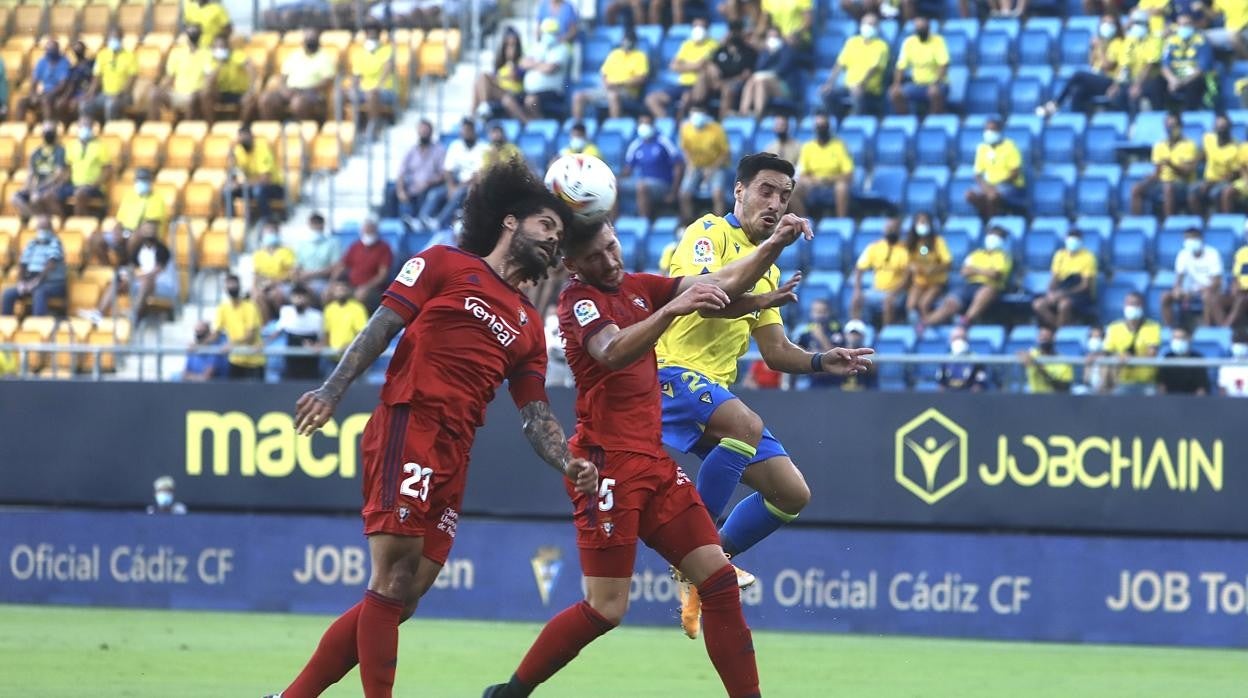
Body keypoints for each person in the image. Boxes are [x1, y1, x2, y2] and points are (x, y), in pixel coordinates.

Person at [272, 159, 594, 698]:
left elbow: (534, 413)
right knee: (391, 576)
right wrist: (332, 389)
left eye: (559, 236)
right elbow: (382, 326)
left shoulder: (529, 328)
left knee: (409, 593)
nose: (552, 240)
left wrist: (567, 461)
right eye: (546, 226)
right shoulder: (444, 264)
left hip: (455, 451)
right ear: (511, 222)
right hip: (410, 421)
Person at [484, 199, 816, 697]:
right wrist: (671, 311)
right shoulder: (579, 301)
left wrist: (773, 245)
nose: (611, 261)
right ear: (573, 264)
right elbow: (612, 351)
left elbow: (720, 284)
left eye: (613, 247)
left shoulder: (639, 287)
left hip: (655, 466)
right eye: (596, 256)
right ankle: (510, 693)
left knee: (719, 582)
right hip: (606, 467)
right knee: (605, 609)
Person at [655, 153, 873, 638]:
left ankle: (705, 571)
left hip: (712, 392)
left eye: (784, 196)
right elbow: (706, 300)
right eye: (766, 191)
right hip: (670, 374)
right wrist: (772, 252)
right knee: (746, 425)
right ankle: (696, 554)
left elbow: (775, 353)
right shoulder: (707, 233)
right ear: (739, 191)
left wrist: (821, 360)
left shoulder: (768, 270)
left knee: (791, 493)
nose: (775, 203)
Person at [80, 221, 176, 325]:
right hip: (142, 282)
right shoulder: (139, 250)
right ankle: (99, 314)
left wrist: (136, 277)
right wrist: (126, 278)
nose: (148, 232)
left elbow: (156, 272)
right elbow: (132, 268)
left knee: (147, 280)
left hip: (163, 284)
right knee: (118, 279)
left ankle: (134, 315)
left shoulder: (162, 249)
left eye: (150, 229)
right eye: (146, 229)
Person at [922, 226, 1013, 329]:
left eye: (996, 236)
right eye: (991, 235)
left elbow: (995, 274)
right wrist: (985, 271)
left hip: (991, 286)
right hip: (970, 285)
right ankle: (926, 323)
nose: (992, 238)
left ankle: (966, 321)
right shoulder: (975, 254)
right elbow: (964, 271)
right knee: (950, 303)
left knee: (985, 293)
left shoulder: (1003, 256)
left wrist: (975, 270)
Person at [1036, 15, 1124, 117]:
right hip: (1096, 78)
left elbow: (1107, 66)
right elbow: (1092, 63)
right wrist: (1092, 48)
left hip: (1110, 82)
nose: (1107, 26)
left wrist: (1099, 48)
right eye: (1105, 23)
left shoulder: (1117, 44)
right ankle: (1077, 117)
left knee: (1078, 75)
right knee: (1078, 90)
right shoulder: (1100, 42)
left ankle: (1056, 103)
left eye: (1110, 23)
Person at [645, 17, 717, 119]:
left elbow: (701, 65)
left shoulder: (713, 45)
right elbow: (673, 66)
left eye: (702, 26)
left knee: (686, 100)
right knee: (651, 99)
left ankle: (681, 123)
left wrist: (684, 66)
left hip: (698, 86)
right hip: (682, 84)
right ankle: (668, 123)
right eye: (695, 26)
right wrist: (692, 66)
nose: (698, 29)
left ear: (708, 29)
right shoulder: (686, 44)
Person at [260, 28, 337, 122]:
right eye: (308, 40)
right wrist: (284, 89)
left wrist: (307, 90)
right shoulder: (294, 56)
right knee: (267, 99)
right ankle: (273, 131)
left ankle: (302, 131)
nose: (310, 42)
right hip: (291, 90)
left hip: (311, 93)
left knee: (298, 103)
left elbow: (328, 80)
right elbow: (284, 76)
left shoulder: (324, 58)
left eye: (313, 40)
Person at [822, 13, 890, 118]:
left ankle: (854, 122)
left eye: (872, 24)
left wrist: (861, 84)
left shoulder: (882, 46)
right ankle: (837, 121)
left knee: (858, 95)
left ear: (877, 27)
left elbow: (875, 68)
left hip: (869, 90)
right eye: (866, 23)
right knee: (827, 94)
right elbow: (839, 64)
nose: (868, 27)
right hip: (848, 87)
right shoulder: (852, 42)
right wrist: (830, 83)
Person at [1131, 112, 1198, 217]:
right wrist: (1150, 178)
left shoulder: (1189, 145)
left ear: (1180, 127)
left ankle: (1168, 224)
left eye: (1173, 126)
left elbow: (1187, 173)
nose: (1170, 129)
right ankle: (1138, 222)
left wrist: (1171, 164)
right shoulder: (1159, 145)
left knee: (1168, 188)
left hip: (1182, 183)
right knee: (1136, 189)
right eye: (1168, 126)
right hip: (1162, 182)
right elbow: (1158, 172)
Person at [573, 29, 649, 120]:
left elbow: (641, 78)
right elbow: (604, 73)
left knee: (612, 96)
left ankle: (614, 125)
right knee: (578, 96)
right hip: (607, 88)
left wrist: (620, 84)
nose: (627, 42)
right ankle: (578, 127)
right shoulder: (614, 54)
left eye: (630, 39)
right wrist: (606, 84)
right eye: (625, 39)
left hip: (627, 91)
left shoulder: (640, 56)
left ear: (635, 42)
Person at [790, 112, 854, 219]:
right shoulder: (808, 147)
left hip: (832, 185)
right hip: (813, 185)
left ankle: (841, 222)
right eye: (819, 126)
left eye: (824, 126)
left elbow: (849, 174)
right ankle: (805, 222)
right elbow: (803, 174)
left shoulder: (839, 145)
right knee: (792, 189)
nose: (821, 129)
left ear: (829, 127)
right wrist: (814, 180)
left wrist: (828, 179)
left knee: (842, 187)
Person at [1032, 229, 1098, 330]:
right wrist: (1050, 293)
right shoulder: (1059, 255)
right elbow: (1054, 278)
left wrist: (1063, 294)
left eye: (1076, 239)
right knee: (1038, 304)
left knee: (1064, 305)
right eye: (1070, 239)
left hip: (1079, 293)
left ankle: (1060, 332)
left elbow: (1085, 285)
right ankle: (1059, 328)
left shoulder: (1088, 257)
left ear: (1081, 241)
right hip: (1061, 288)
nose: (1072, 242)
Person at [1, 216, 66, 317]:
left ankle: (38, 324)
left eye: (46, 227)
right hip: (31, 281)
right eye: (40, 227)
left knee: (39, 292)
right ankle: (6, 323)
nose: (43, 230)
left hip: (53, 283)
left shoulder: (55, 242)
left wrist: (36, 282)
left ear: (51, 229)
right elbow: (23, 263)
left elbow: (50, 265)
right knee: (8, 294)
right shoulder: (32, 243)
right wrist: (21, 282)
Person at [850, 216, 909, 326]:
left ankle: (886, 334)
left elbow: (908, 277)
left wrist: (894, 293)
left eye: (894, 228)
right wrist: (857, 290)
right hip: (876, 291)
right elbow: (859, 268)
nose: (891, 231)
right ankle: (858, 331)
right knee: (856, 300)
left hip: (898, 293)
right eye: (889, 228)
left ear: (899, 230)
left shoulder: (905, 250)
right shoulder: (874, 247)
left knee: (888, 302)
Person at [623, 114, 683, 220]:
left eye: (647, 123)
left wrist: (674, 191)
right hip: (642, 182)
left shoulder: (663, 142)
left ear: (653, 125)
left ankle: (643, 222)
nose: (644, 126)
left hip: (662, 184)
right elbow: (627, 170)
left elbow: (678, 165)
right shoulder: (635, 145)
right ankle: (613, 222)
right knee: (613, 186)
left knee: (642, 187)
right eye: (642, 123)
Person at [1163, 227, 1224, 327]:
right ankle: (1169, 329)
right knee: (1165, 297)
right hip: (1191, 291)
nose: (1189, 242)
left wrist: (1196, 291)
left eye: (1192, 239)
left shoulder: (1213, 254)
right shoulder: (1182, 255)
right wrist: (1178, 290)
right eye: (1187, 239)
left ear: (1201, 239)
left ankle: (1206, 329)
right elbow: (1178, 280)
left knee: (1207, 296)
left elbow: (1217, 283)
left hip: (1211, 291)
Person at [678, 104, 731, 221]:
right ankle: (688, 223)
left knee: (717, 194)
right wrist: (689, 164)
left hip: (716, 166)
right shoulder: (685, 128)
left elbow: (726, 154)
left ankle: (719, 224)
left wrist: (711, 169)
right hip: (695, 166)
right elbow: (685, 148)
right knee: (684, 194)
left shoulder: (717, 129)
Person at [511, 19, 570, 122]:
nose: (549, 35)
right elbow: (522, 63)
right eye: (547, 32)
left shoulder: (562, 49)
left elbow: (549, 68)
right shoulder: (535, 47)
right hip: (529, 91)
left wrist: (533, 64)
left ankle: (540, 124)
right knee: (510, 99)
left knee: (531, 101)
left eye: (552, 33)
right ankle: (527, 124)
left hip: (551, 92)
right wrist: (540, 65)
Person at [966, 118, 1027, 220]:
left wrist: (996, 186)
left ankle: (992, 221)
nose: (989, 133)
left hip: (1009, 185)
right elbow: (977, 174)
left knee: (992, 197)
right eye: (987, 130)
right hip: (988, 184)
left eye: (992, 130)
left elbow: (1015, 173)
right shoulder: (982, 148)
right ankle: (985, 218)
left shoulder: (1010, 147)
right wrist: (986, 187)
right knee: (970, 195)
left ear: (999, 131)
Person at [1103, 291, 1162, 395]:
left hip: (1146, 383)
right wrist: (1119, 357)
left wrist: (1130, 359)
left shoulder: (1153, 327)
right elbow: (1107, 353)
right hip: (1122, 382)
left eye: (1136, 304)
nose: (1132, 307)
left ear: (1142, 307)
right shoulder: (1113, 328)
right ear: (1124, 306)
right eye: (1130, 304)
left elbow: (1152, 353)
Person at [434, 119, 489, 229]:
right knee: (434, 194)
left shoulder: (484, 147)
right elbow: (447, 170)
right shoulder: (455, 146)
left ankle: (439, 222)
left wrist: (459, 187)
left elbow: (480, 173)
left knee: (460, 192)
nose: (467, 133)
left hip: (473, 184)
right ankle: (422, 221)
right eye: (464, 130)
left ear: (474, 131)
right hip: (456, 183)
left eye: (469, 130)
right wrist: (450, 187)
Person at [226, 124, 285, 225]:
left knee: (258, 190)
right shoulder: (239, 150)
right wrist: (231, 153)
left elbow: (265, 180)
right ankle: (233, 224)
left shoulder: (262, 148)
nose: (243, 140)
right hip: (250, 186)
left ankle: (267, 221)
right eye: (241, 138)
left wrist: (242, 184)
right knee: (227, 191)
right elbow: (233, 173)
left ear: (251, 136)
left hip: (274, 187)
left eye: (246, 137)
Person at [696, 20, 756, 120]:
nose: (733, 34)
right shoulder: (721, 50)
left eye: (737, 31)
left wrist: (725, 82)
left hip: (735, 83)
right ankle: (697, 109)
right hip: (716, 82)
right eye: (731, 31)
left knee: (727, 89)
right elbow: (707, 62)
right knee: (702, 76)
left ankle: (721, 122)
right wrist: (711, 66)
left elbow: (746, 75)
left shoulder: (749, 52)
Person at [212, 273, 266, 381]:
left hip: (254, 360)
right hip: (236, 360)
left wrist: (232, 344)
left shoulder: (250, 307)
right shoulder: (223, 308)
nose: (231, 287)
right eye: (229, 284)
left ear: (239, 286)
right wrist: (199, 343)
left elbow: (250, 335)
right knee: (234, 397)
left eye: (234, 284)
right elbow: (216, 333)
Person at [890, 16, 948, 116]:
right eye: (918, 28)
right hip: (917, 84)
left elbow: (943, 64)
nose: (921, 30)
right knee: (895, 93)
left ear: (929, 28)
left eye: (923, 28)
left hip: (938, 83)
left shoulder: (938, 41)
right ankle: (907, 121)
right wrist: (896, 84)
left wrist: (935, 83)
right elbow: (901, 66)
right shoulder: (909, 43)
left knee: (934, 92)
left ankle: (934, 120)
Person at [333, 219, 394, 310]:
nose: (368, 232)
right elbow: (342, 266)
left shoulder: (384, 248)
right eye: (366, 230)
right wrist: (332, 283)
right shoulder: (355, 246)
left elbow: (382, 275)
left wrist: (365, 287)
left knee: (362, 297)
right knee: (331, 294)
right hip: (351, 285)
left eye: (370, 230)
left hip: (374, 289)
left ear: (376, 230)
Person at [149, 28, 209, 121]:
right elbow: (170, 77)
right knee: (154, 94)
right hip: (177, 93)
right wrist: (160, 88)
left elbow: (208, 77)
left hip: (195, 94)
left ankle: (186, 128)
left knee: (192, 99)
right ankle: (155, 127)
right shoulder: (177, 52)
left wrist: (201, 91)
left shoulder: (207, 53)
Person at [350, 23, 397, 138]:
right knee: (343, 94)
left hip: (386, 90)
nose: (371, 35)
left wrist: (377, 86)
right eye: (369, 33)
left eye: (374, 33)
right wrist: (353, 89)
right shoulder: (359, 53)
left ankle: (374, 127)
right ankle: (353, 128)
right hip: (364, 90)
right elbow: (356, 75)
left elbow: (387, 69)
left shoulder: (387, 50)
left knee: (372, 94)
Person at [396, 120, 447, 229]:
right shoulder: (411, 150)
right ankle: (403, 222)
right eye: (421, 130)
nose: (424, 133)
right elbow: (401, 172)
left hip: (431, 185)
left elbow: (444, 174)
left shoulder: (439, 150)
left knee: (431, 192)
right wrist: (400, 191)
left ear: (431, 132)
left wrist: (428, 183)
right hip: (413, 186)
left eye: (426, 131)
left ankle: (420, 220)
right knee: (396, 192)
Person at [1189, 114, 1243, 216]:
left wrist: (1213, 183)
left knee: (1217, 193)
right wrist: (1192, 164)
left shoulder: (1236, 147)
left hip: (1225, 181)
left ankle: (1224, 221)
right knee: (1193, 191)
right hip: (1208, 180)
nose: (1220, 130)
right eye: (1218, 127)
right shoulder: (1208, 139)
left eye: (1223, 127)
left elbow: (1234, 175)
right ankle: (1201, 222)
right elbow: (1201, 156)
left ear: (1229, 129)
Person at [13, 121, 68, 219]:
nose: (49, 134)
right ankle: (37, 218)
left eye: (51, 131)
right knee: (16, 198)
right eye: (46, 131)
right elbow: (31, 174)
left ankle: (56, 220)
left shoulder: (60, 151)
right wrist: (27, 188)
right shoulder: (36, 152)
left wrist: (40, 187)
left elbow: (59, 174)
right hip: (39, 186)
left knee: (36, 197)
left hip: (54, 186)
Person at [739, 28, 798, 118]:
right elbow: (759, 67)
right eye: (770, 36)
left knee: (761, 81)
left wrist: (768, 74)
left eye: (775, 36)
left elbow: (782, 69)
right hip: (764, 82)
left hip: (783, 86)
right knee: (753, 80)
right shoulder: (765, 51)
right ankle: (743, 111)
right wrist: (769, 54)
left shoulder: (787, 50)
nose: (773, 39)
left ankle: (758, 113)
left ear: (780, 37)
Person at [904, 212, 951, 324]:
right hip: (919, 281)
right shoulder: (912, 243)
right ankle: (914, 327)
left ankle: (926, 327)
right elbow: (908, 262)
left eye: (924, 222)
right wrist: (913, 267)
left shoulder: (938, 242)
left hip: (936, 282)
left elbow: (948, 262)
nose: (922, 224)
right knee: (911, 304)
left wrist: (933, 269)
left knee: (924, 304)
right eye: (920, 222)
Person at [1162, 14, 1215, 111]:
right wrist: (1172, 80)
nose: (1184, 27)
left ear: (1193, 25)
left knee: (1195, 85)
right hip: (1175, 76)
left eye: (1187, 24)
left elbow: (1202, 68)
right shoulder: (1170, 41)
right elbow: (1165, 65)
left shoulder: (1201, 41)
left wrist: (1183, 82)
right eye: (1181, 24)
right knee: (1158, 83)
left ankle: (1191, 113)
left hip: (1193, 77)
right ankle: (1168, 117)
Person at [85, 29, 138, 123]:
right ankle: (90, 128)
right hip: (105, 94)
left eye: (117, 37)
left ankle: (109, 130)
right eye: (112, 37)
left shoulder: (130, 56)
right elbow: (97, 76)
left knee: (111, 105)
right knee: (86, 105)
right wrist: (90, 93)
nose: (114, 40)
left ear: (121, 39)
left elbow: (132, 79)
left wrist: (120, 94)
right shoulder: (102, 55)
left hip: (123, 95)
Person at [202, 33, 255, 124]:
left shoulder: (237, 55)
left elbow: (250, 69)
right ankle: (211, 125)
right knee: (205, 94)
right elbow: (209, 81)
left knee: (249, 99)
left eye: (223, 46)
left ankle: (242, 125)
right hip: (220, 93)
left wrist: (251, 88)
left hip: (239, 92)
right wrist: (219, 65)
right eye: (218, 47)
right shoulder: (210, 60)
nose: (220, 49)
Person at [64, 114, 110, 217]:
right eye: (83, 125)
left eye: (88, 126)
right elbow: (68, 168)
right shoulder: (72, 145)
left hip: (93, 186)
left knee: (80, 194)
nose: (85, 128)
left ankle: (79, 222)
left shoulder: (100, 146)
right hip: (74, 185)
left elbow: (107, 170)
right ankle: (62, 222)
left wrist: (94, 184)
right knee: (51, 195)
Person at [277, 285, 326, 381]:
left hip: (310, 362)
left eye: (302, 297)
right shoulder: (286, 312)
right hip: (291, 361)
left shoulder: (317, 316)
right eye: (296, 297)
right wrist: (263, 343)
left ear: (308, 299)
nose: (299, 300)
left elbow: (323, 337)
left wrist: (317, 345)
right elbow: (276, 332)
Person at [473, 29, 525, 119]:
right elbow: (494, 77)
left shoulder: (522, 62)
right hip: (499, 92)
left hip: (514, 93)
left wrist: (511, 61)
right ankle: (474, 115)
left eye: (513, 45)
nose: (510, 48)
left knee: (484, 78)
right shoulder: (500, 66)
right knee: (479, 82)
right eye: (507, 45)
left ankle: (484, 107)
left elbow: (514, 76)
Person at [16, 39, 71, 123]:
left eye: (53, 49)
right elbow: (35, 81)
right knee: (22, 102)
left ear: (58, 50)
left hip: (57, 93)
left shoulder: (64, 62)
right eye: (48, 49)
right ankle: (19, 127)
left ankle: (47, 126)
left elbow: (62, 84)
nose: (50, 51)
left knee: (46, 100)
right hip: (44, 92)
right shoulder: (42, 61)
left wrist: (50, 93)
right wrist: (33, 94)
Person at [793, 298, 843, 388]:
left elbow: (837, 358)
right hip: (813, 382)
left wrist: (821, 337)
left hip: (834, 382)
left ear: (829, 313)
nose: (819, 315)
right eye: (816, 312)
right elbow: (796, 357)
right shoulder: (805, 334)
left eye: (823, 312)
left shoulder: (836, 331)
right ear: (811, 313)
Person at [253, 225, 297, 321]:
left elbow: (293, 274)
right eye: (267, 233)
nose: (270, 235)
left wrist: (276, 282)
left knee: (276, 295)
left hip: (284, 284)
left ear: (278, 234)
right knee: (257, 296)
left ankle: (282, 322)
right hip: (265, 285)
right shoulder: (258, 254)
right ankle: (267, 324)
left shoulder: (287, 251)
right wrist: (255, 288)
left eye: (272, 232)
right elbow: (256, 275)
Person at [1018, 324, 1074, 393]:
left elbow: (1065, 387)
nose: (1043, 340)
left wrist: (1041, 369)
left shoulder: (1064, 362)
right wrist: (1021, 355)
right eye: (1041, 337)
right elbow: (1021, 355)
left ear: (1053, 338)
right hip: (1034, 399)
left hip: (1054, 400)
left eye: (1046, 338)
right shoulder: (1033, 354)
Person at [1157, 326, 1211, 395]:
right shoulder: (1167, 358)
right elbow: (1161, 387)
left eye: (1181, 338)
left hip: (1192, 401)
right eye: (1175, 338)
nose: (1177, 341)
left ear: (1189, 339)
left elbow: (1202, 389)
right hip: (1170, 401)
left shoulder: (1198, 359)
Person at [323, 280, 369, 360]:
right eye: (338, 290)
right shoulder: (329, 309)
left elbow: (362, 334)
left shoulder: (358, 308)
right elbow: (327, 333)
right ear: (333, 292)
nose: (341, 292)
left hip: (351, 356)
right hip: (331, 357)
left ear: (349, 291)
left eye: (343, 290)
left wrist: (349, 345)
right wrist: (319, 345)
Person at [937, 326, 993, 391]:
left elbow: (978, 386)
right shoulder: (944, 361)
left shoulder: (977, 361)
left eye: (962, 338)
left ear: (967, 340)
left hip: (969, 398)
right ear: (950, 340)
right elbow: (941, 386)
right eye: (956, 338)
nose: (959, 341)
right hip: (949, 396)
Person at [1223, 223, 1248, 327]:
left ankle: (1224, 330)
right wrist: (1235, 287)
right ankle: (1218, 330)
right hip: (1241, 292)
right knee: (1213, 299)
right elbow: (1235, 277)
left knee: (1241, 300)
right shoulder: (1241, 253)